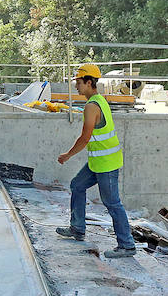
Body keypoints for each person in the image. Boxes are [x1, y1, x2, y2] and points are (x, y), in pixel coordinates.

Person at [54, 64, 136, 258]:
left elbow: (84, 138)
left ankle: (127, 245)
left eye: (79, 82)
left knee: (112, 203)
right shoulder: (100, 100)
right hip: (98, 162)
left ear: (89, 82)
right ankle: (77, 228)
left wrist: (67, 155)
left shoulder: (92, 106)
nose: (76, 86)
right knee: (77, 185)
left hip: (106, 164)